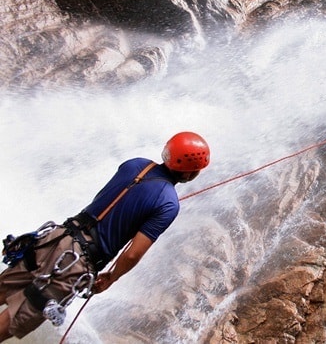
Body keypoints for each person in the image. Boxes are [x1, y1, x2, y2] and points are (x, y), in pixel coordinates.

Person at [0, 131, 210, 342]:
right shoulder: (168, 203)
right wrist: (111, 277)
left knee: (4, 288)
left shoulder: (136, 164)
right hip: (75, 263)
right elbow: (132, 254)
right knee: (17, 316)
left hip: (56, 237)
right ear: (189, 173)